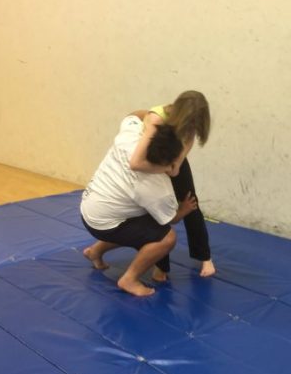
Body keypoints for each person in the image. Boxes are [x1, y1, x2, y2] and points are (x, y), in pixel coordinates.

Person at [80, 115, 197, 297]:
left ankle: (95, 251)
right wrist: (183, 209)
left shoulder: (131, 135)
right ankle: (129, 279)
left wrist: (153, 121)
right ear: (168, 161)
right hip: (105, 222)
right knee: (166, 238)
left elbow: (135, 114)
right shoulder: (158, 188)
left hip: (90, 210)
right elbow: (170, 219)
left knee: (131, 224)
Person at [129, 90, 215, 277]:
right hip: (150, 160)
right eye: (190, 122)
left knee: (191, 204)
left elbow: (180, 157)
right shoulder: (156, 119)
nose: (192, 128)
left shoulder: (189, 128)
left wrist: (175, 165)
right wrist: (165, 169)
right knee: (156, 209)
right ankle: (161, 266)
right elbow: (136, 162)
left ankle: (205, 257)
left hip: (171, 158)